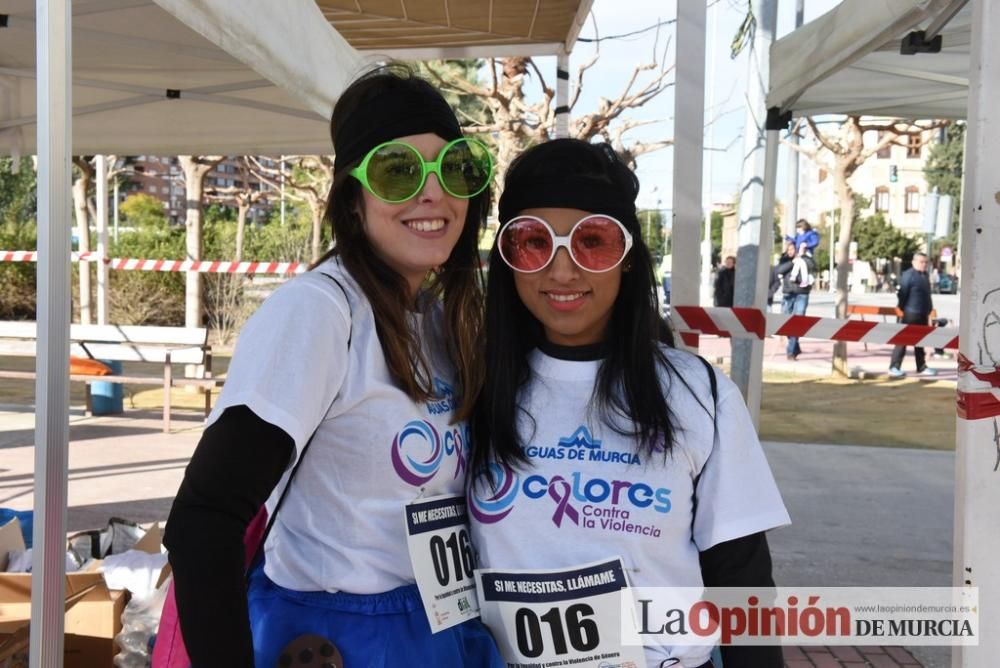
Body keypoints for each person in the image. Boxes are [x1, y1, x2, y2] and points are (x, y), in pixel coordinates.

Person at [162, 65, 502, 667]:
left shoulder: (433, 314)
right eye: (398, 171)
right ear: (352, 196)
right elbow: (203, 521)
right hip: (338, 637)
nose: (432, 193)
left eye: (452, 167)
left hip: (436, 625)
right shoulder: (319, 311)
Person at [469, 139, 790, 668]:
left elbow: (742, 578)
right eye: (533, 243)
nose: (563, 271)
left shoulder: (697, 394)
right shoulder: (472, 388)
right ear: (507, 260)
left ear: (628, 260)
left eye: (592, 241)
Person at [889, 252, 937, 378]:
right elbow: (903, 293)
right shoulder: (908, 275)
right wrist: (902, 308)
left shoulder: (925, 275)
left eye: (926, 262)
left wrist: (929, 309)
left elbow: (927, 295)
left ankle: (921, 366)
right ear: (914, 262)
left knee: (920, 342)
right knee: (902, 340)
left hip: (923, 313)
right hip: (910, 312)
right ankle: (894, 366)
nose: (924, 265)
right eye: (921, 262)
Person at [776, 242, 816, 360]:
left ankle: (791, 351)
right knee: (785, 322)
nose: (790, 251)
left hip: (802, 293)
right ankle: (795, 346)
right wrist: (792, 262)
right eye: (788, 249)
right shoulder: (784, 259)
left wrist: (802, 257)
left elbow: (812, 267)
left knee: (797, 322)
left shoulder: (806, 257)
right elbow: (780, 270)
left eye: (792, 249)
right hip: (788, 292)